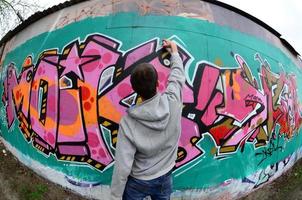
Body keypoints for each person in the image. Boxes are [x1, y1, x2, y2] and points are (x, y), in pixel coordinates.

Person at [110, 39, 185, 200]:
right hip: (165, 176)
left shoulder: (128, 122)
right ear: (158, 83)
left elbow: (122, 165)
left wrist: (116, 196)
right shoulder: (173, 101)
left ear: (135, 90)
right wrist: (174, 50)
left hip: (139, 181)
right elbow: (178, 76)